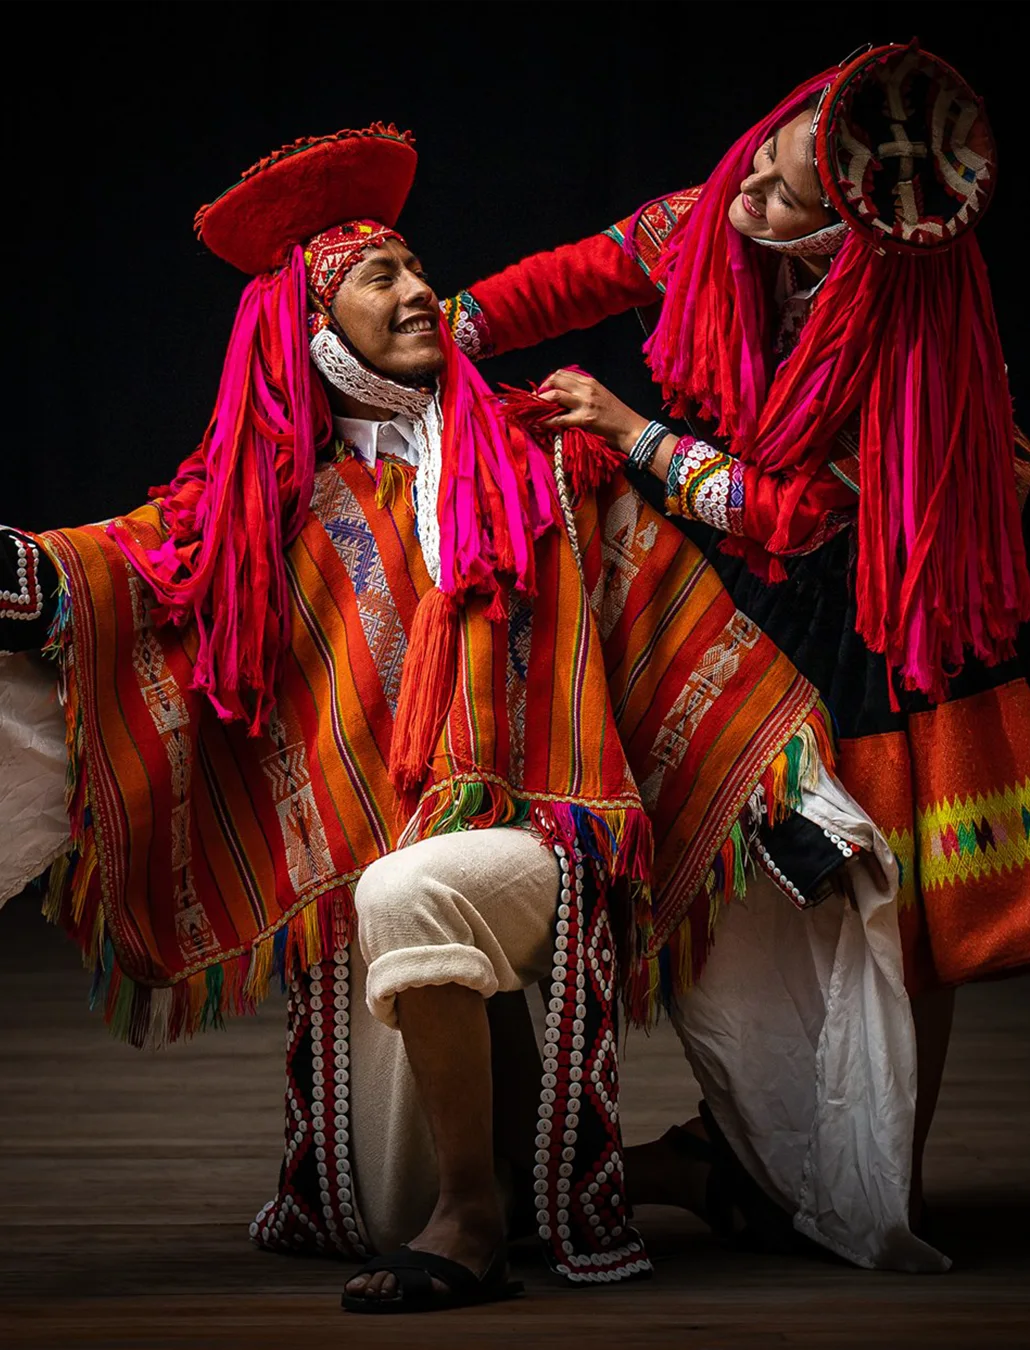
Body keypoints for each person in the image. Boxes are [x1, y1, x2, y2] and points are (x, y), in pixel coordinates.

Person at [0, 118, 942, 1315]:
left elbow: (679, 628)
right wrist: (23, 573)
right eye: (380, 277)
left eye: (416, 266)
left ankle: (475, 1224)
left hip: (551, 843)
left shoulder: (547, 460)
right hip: (388, 842)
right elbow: (143, 571)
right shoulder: (275, 510)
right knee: (364, 1187)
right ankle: (644, 1174)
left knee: (415, 892)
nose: (421, 289)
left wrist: (788, 789)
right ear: (312, 329)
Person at [440, 40, 1030, 1231]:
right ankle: (761, 1144)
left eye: (782, 197)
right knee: (760, 876)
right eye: (763, 158)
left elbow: (795, 515)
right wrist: (440, 331)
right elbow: (571, 280)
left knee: (898, 893)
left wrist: (628, 428)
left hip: (908, 591)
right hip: (776, 551)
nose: (748, 198)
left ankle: (883, 1173)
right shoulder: (718, 217)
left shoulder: (904, 339)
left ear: (847, 238)